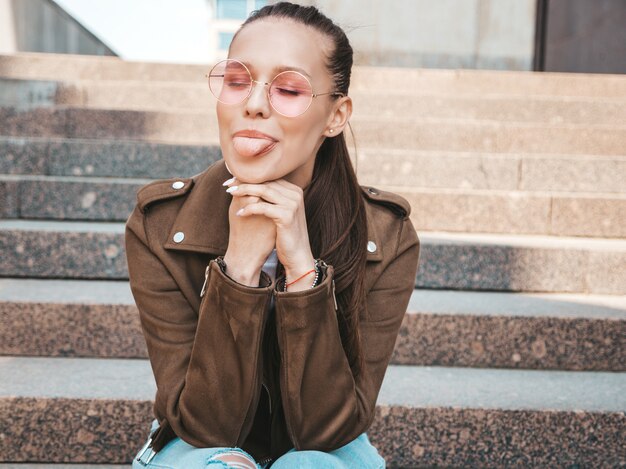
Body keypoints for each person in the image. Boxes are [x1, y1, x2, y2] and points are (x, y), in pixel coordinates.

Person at [126, 2, 420, 468]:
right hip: (196, 441)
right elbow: (204, 426)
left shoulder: (386, 236)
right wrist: (238, 271)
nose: (254, 103)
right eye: (237, 81)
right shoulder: (160, 225)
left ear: (335, 116)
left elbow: (329, 430)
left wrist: (303, 271)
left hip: (330, 448)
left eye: (287, 88)